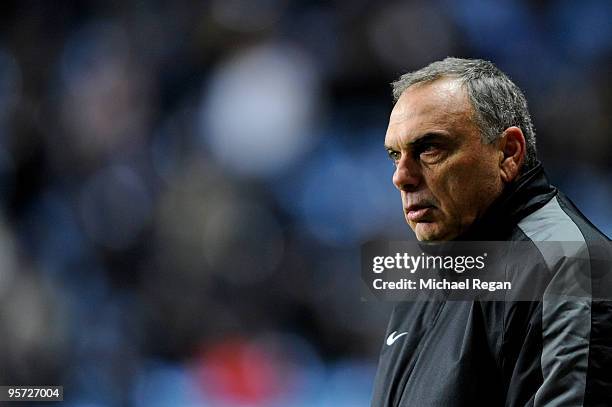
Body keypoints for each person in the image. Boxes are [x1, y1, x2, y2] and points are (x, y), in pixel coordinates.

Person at [371, 58, 612, 406]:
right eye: (396, 155)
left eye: (429, 148)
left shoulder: (571, 268)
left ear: (508, 154)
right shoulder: (434, 272)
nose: (401, 177)